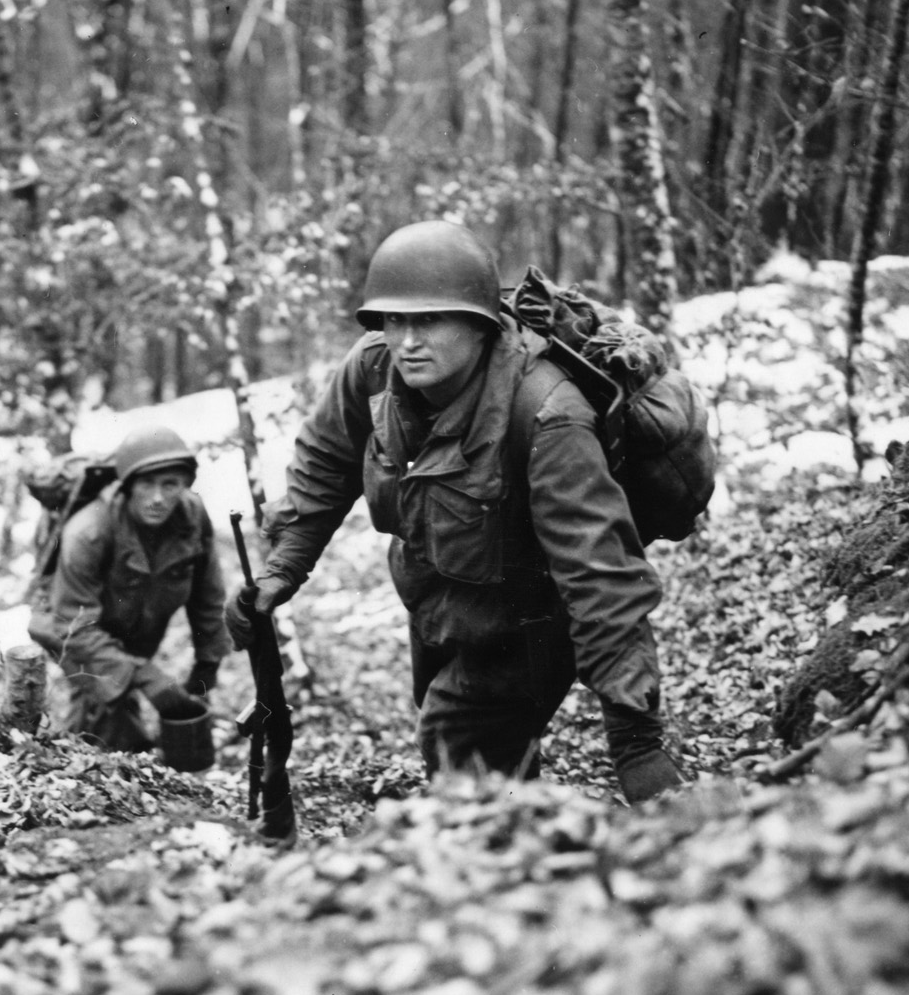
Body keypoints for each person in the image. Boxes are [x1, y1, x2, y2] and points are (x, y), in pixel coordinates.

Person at [225, 219, 685, 804]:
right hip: (439, 601)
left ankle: (519, 869)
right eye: (395, 320)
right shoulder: (373, 370)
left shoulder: (545, 413)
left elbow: (599, 571)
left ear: (478, 326)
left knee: (460, 753)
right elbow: (325, 463)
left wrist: (635, 738)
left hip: (531, 617)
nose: (408, 341)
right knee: (475, 764)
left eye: (429, 320)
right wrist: (281, 570)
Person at [28, 425, 230, 769]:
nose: (157, 498)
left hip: (138, 628)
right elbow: (73, 628)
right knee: (104, 717)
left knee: (128, 707)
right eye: (147, 484)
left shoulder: (192, 517)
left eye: (170, 485)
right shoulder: (89, 531)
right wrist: (146, 676)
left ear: (185, 486)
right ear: (127, 486)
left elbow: (207, 594)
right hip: (74, 630)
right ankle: (98, 783)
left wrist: (207, 663)